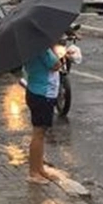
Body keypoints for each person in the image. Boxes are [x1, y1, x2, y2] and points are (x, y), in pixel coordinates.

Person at [23, 45, 64, 184]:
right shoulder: (41, 48)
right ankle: (33, 172)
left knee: (41, 133)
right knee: (39, 133)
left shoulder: (29, 46)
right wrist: (54, 51)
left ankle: (39, 168)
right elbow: (56, 65)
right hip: (43, 93)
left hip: (36, 90)